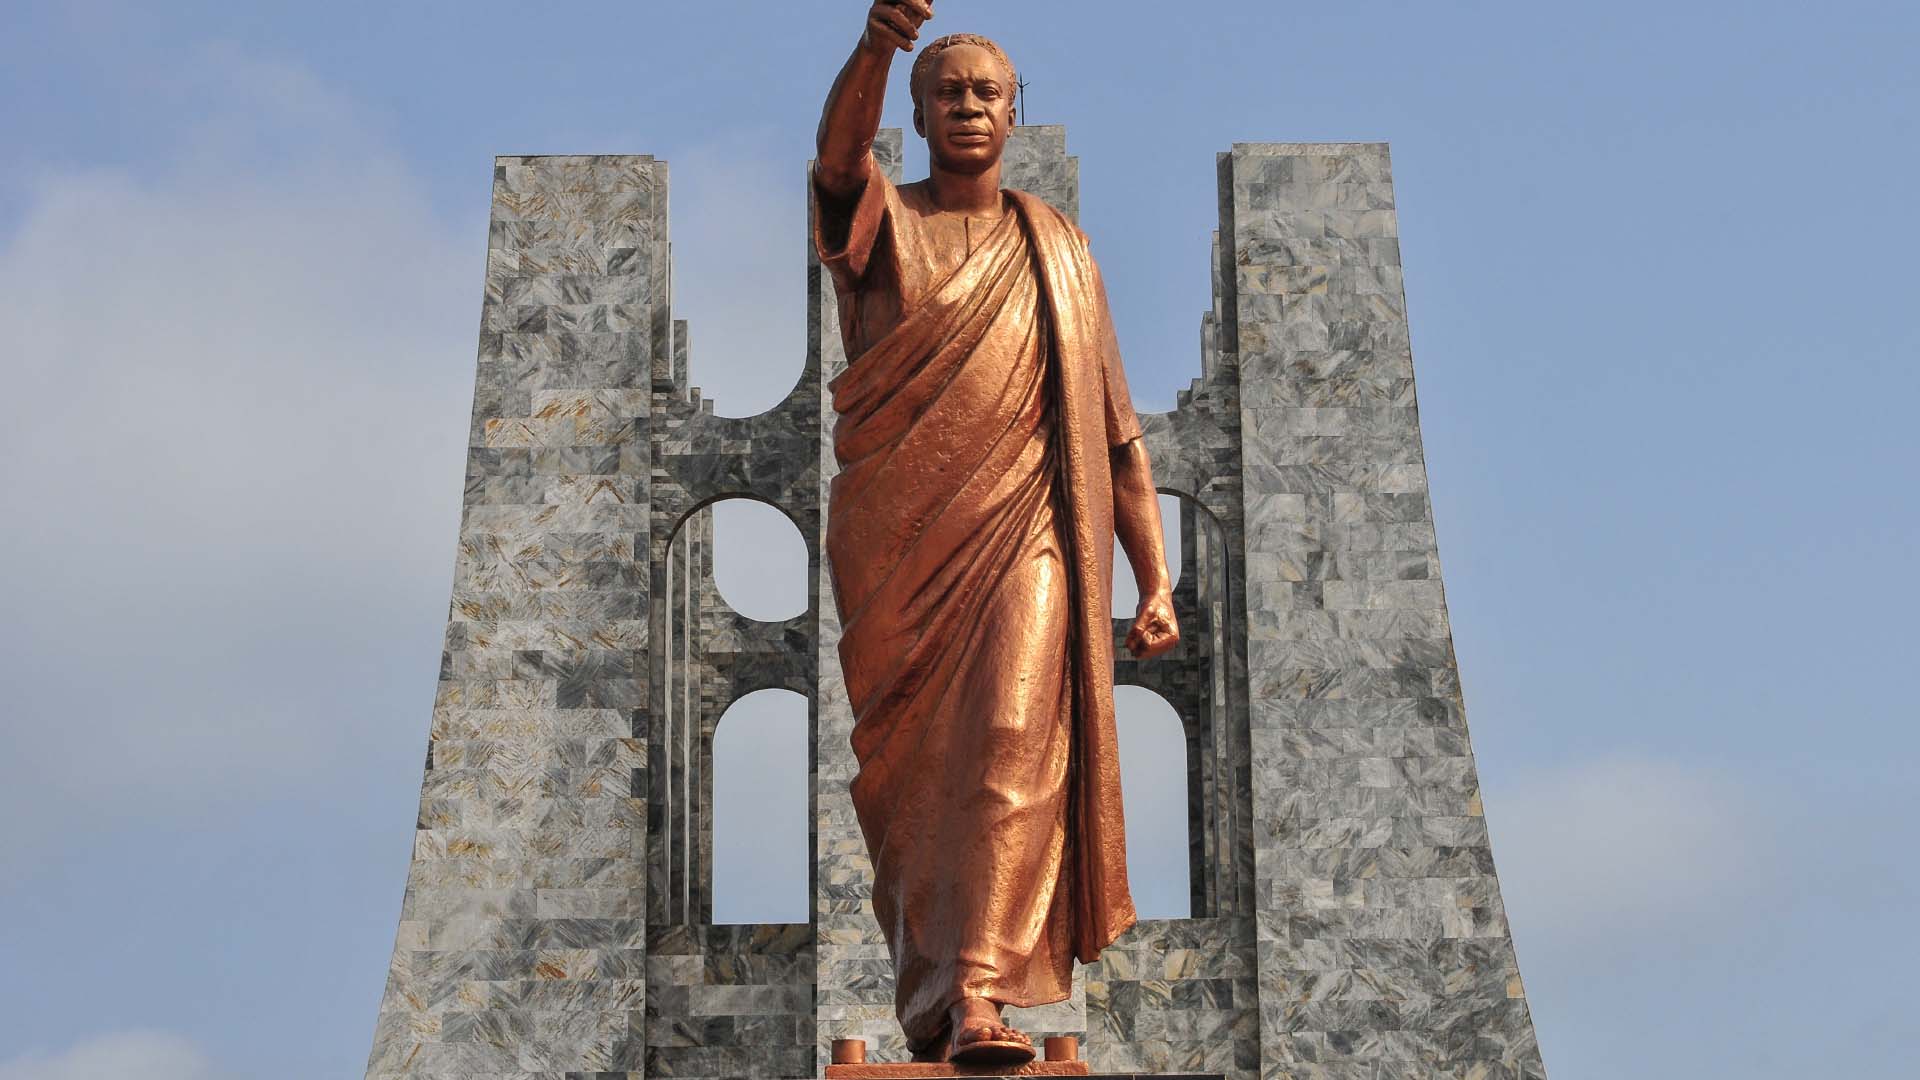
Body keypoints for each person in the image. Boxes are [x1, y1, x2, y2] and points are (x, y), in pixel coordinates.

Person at [814, 0, 1180, 1065]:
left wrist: (1151, 578)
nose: (969, 106)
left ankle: (980, 991)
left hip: (1029, 535)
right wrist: (879, 42)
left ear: (1015, 111)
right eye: (948, 94)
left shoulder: (1060, 251)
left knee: (1014, 744)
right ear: (918, 116)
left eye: (987, 92)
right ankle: (934, 986)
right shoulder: (884, 224)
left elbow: (1115, 440)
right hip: (899, 546)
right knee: (916, 778)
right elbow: (837, 165)